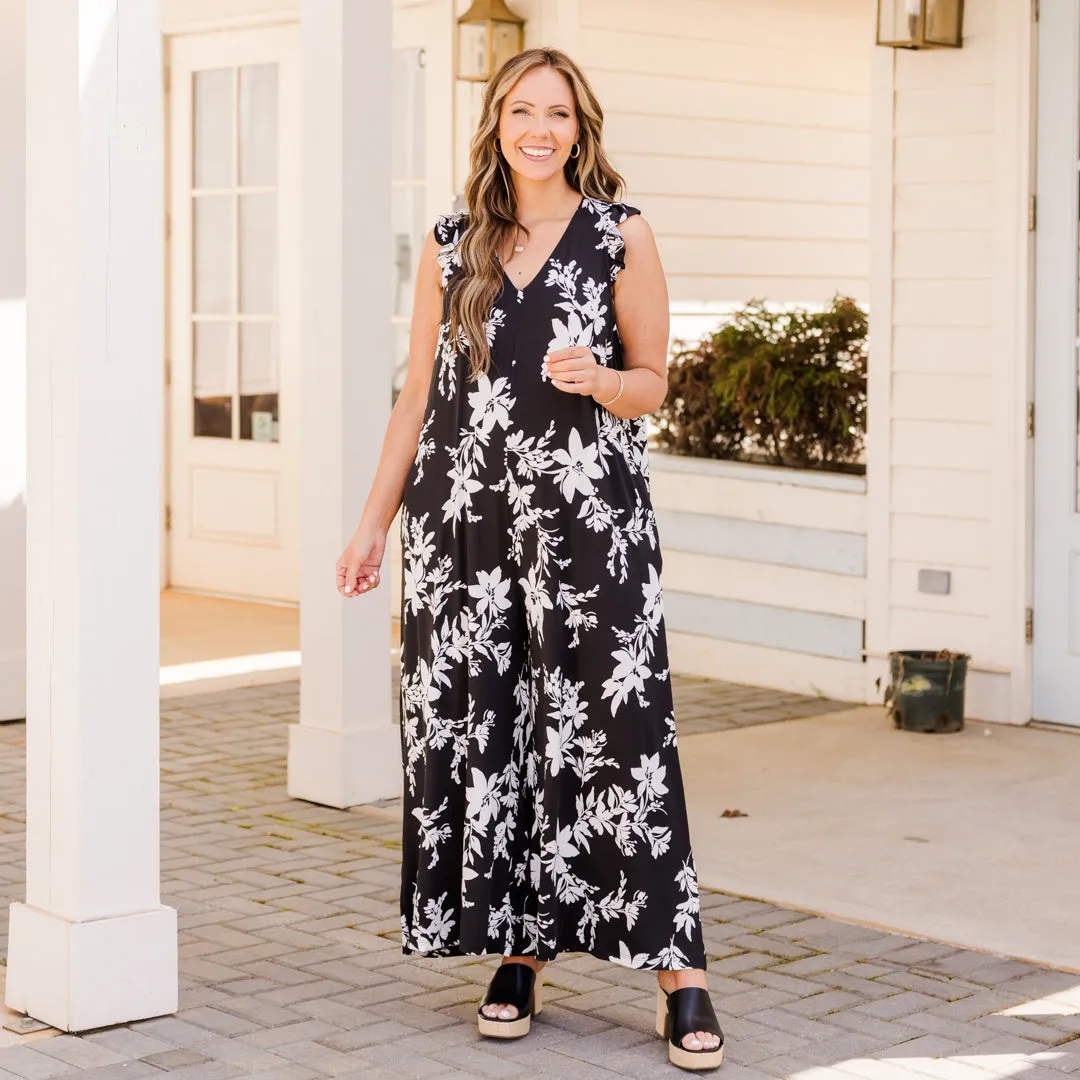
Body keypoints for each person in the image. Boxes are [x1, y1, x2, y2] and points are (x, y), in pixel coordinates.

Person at [335, 47, 724, 1072]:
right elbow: (414, 398)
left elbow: (652, 384)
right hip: (465, 531)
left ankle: (675, 968)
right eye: (522, 109)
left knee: (618, 732)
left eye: (557, 112)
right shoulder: (450, 242)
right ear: (496, 121)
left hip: (591, 524)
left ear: (579, 126)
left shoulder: (617, 234)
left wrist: (600, 377)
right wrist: (373, 523)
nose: (539, 127)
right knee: (490, 730)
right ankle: (518, 948)